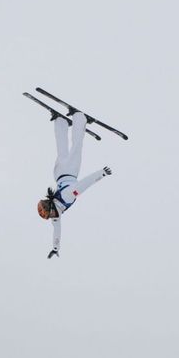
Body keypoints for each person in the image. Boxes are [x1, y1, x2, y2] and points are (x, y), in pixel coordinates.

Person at [38, 110, 114, 258]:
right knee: (62, 149)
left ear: (52, 208)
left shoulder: (66, 198)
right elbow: (57, 231)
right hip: (58, 173)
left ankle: (80, 119)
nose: (53, 217)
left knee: (76, 147)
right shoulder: (56, 215)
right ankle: (61, 122)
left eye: (50, 213)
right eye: (50, 215)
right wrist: (55, 247)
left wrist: (101, 174)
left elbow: (83, 185)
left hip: (70, 170)